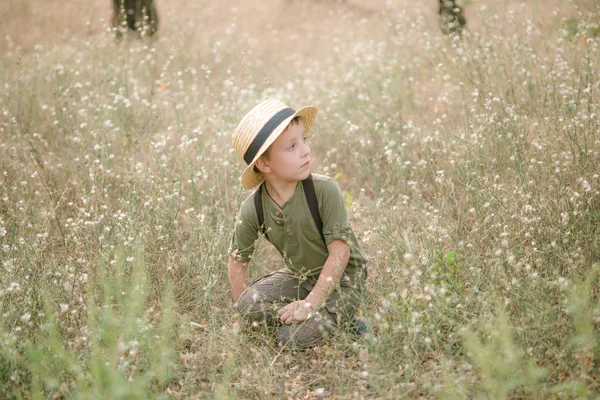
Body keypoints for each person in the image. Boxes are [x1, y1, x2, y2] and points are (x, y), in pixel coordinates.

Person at [228, 98, 368, 348]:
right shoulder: (255, 207)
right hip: (301, 276)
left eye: (304, 140)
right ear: (263, 163)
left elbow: (340, 252)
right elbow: (238, 260)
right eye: (292, 146)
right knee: (247, 304)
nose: (305, 150)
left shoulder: (324, 190)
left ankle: (337, 320)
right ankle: (309, 317)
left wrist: (311, 303)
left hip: (344, 279)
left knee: (288, 338)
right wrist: (245, 315)